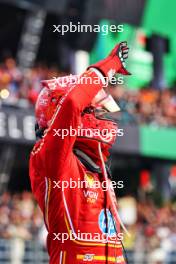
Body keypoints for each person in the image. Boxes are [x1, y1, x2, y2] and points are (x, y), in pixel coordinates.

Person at [29, 42, 131, 263]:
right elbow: (74, 102)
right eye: (93, 110)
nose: (101, 117)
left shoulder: (96, 168)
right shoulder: (50, 158)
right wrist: (109, 66)